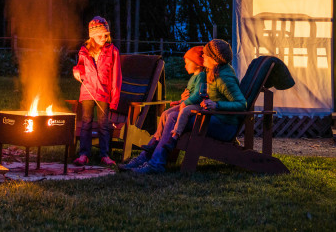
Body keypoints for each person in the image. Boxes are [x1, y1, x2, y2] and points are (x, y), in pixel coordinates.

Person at [132, 39, 245, 174]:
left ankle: (155, 163)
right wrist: (189, 97)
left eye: (206, 54)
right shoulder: (214, 71)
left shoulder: (224, 78)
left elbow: (241, 104)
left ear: (214, 59)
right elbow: (213, 94)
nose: (202, 56)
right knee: (171, 114)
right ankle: (148, 158)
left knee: (174, 117)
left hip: (224, 126)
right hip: (214, 118)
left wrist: (216, 105)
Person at [120, 45, 206, 170]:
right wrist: (181, 99)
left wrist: (185, 102)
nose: (185, 66)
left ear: (197, 64)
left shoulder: (202, 76)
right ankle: (153, 145)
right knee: (166, 114)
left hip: (193, 109)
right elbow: (190, 92)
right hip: (187, 105)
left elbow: (198, 95)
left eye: (187, 63)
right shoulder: (194, 77)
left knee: (171, 116)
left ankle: (155, 161)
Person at [72, 16, 122, 166]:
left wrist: (114, 98)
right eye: (101, 35)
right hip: (87, 92)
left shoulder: (112, 51)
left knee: (103, 124)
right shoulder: (84, 51)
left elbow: (117, 76)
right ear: (92, 36)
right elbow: (80, 67)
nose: (104, 38)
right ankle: (84, 154)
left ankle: (104, 154)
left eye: (106, 35)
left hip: (104, 93)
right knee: (86, 122)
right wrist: (77, 71)